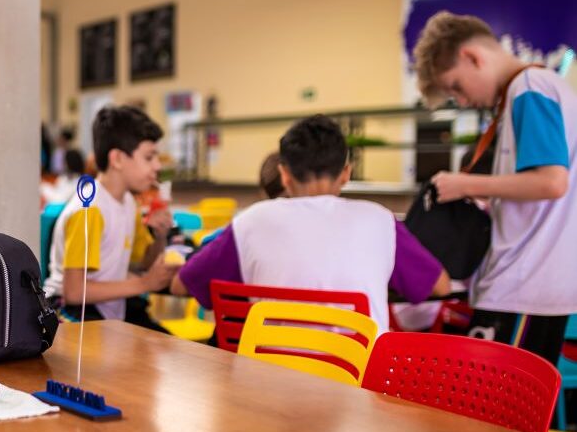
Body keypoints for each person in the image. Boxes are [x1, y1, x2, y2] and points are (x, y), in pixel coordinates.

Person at [172, 115, 450, 332]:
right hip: (358, 388)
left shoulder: (251, 222)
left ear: (284, 174)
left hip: (270, 380)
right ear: (345, 174)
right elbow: (440, 286)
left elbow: (181, 285)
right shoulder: (380, 220)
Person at [413, 11, 577, 363]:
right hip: (529, 282)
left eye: (456, 86)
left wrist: (463, 184)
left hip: (524, 285)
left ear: (472, 57)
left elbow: (551, 181)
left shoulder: (530, 88)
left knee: (490, 411)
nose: (463, 100)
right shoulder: (531, 90)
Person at [43, 106, 177, 332]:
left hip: (108, 307)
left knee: (164, 347)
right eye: (148, 157)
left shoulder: (129, 202)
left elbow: (144, 262)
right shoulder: (90, 210)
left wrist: (161, 236)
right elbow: (74, 292)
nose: (157, 166)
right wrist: (145, 283)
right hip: (66, 310)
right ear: (117, 159)